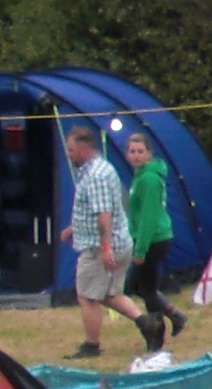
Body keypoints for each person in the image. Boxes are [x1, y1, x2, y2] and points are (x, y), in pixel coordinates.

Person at [62, 123, 142, 358]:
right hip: (120, 242)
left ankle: (92, 346)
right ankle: (148, 323)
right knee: (110, 295)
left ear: (84, 149)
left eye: (71, 150)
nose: (69, 154)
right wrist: (72, 228)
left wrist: (105, 248)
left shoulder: (95, 176)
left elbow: (104, 215)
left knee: (87, 297)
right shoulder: (101, 169)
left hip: (101, 247)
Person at [119, 125, 179, 354]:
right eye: (132, 151)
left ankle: (157, 338)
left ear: (149, 153)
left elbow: (148, 217)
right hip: (148, 238)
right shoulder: (140, 176)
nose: (136, 156)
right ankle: (174, 315)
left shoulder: (149, 180)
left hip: (154, 239)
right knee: (139, 286)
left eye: (140, 151)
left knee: (146, 288)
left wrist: (140, 250)